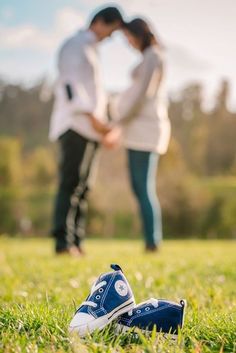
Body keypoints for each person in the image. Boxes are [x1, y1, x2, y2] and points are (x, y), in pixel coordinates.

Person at [49, 6, 124, 255]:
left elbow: (97, 94)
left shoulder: (91, 51)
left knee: (84, 187)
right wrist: (93, 118)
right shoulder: (75, 45)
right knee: (70, 183)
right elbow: (71, 86)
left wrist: (106, 126)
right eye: (110, 32)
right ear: (100, 22)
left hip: (92, 130)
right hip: (76, 125)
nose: (108, 38)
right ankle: (63, 242)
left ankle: (77, 241)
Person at [105, 18, 171, 252]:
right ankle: (150, 239)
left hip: (146, 129)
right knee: (138, 185)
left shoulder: (154, 56)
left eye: (128, 38)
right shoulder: (149, 57)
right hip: (137, 130)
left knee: (143, 186)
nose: (128, 43)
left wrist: (118, 121)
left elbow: (143, 94)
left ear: (138, 34)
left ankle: (152, 241)